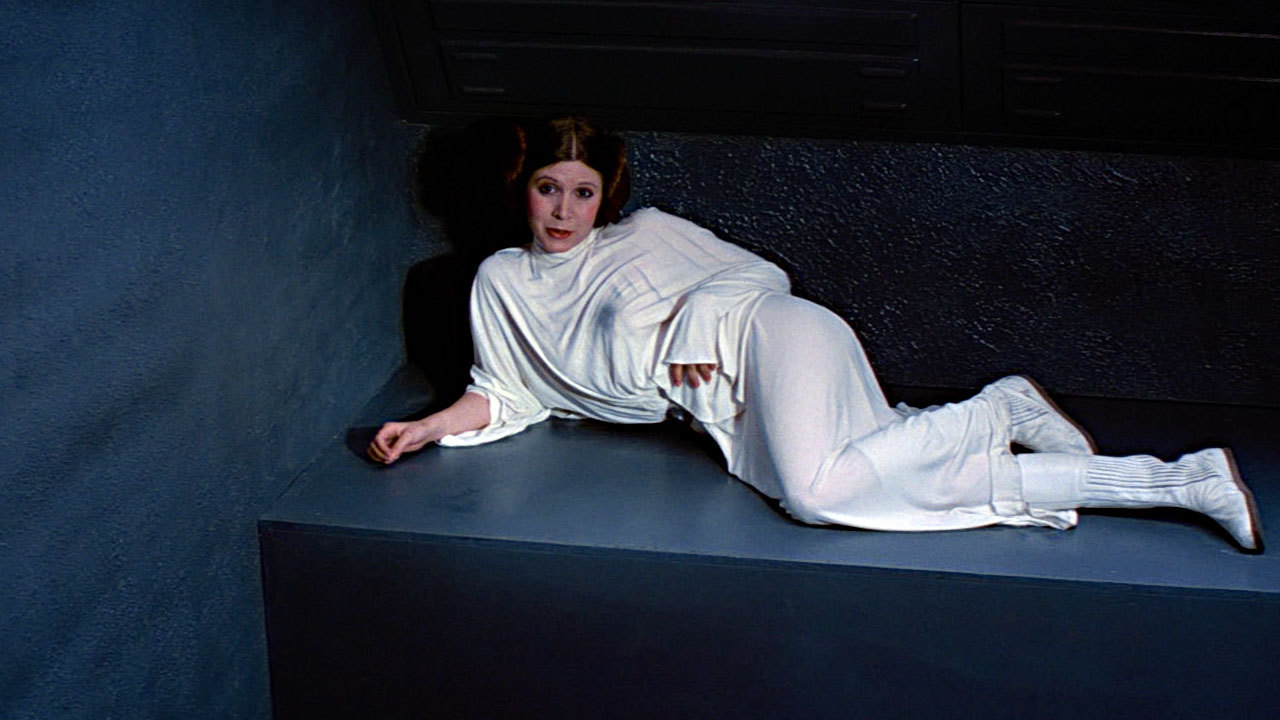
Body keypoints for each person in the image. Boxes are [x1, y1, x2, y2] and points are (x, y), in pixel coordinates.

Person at [368, 116, 1264, 553]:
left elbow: (765, 277)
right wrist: (428, 427)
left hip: (776, 339)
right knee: (912, 483)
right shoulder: (501, 283)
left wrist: (699, 322)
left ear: (607, 197)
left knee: (818, 494)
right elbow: (505, 389)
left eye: (583, 192)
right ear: (522, 189)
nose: (565, 211)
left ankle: (994, 411)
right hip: (725, 414)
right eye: (549, 189)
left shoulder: (646, 235)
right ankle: (1179, 483)